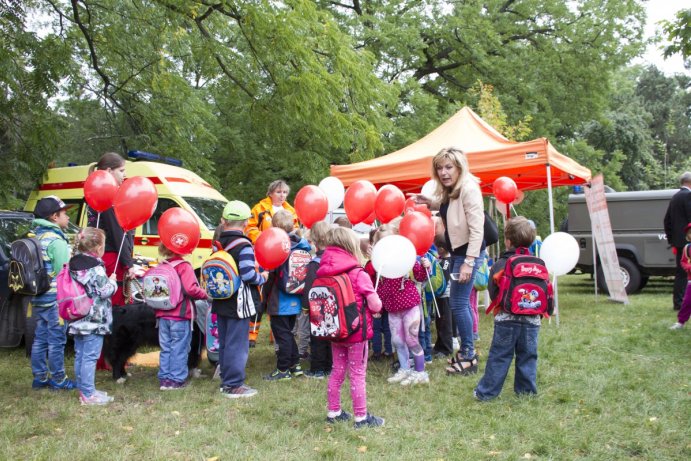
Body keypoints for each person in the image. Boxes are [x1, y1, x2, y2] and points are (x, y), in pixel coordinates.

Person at [411, 147, 484, 376]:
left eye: (448, 167)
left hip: (467, 253)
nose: (443, 172)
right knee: (457, 303)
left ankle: (469, 355)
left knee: (459, 304)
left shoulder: (469, 189)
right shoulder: (453, 190)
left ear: (459, 167)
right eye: (440, 168)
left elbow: (477, 229)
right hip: (459, 252)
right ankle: (466, 351)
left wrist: (469, 262)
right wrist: (431, 203)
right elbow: (451, 209)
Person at [319, 227, 384, 428]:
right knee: (357, 373)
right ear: (351, 245)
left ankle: (334, 411)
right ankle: (361, 417)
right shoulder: (358, 273)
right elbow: (376, 305)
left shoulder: (323, 272)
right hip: (357, 333)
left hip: (335, 330)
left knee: (337, 370)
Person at [474, 216, 542, 401]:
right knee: (528, 356)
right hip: (532, 319)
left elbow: (493, 291)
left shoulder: (500, 264)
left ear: (508, 241)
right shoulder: (536, 263)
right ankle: (526, 392)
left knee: (500, 356)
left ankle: (486, 393)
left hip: (506, 319)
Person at [213, 201, 267, 399]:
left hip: (221, 301)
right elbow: (247, 274)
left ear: (223, 221)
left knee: (226, 343)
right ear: (246, 223)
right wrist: (262, 278)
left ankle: (226, 380)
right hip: (239, 304)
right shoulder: (244, 246)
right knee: (238, 344)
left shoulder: (218, 243)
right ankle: (234, 385)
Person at [374, 220, 431, 386]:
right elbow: (379, 286)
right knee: (398, 341)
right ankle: (405, 368)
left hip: (410, 306)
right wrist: (378, 304)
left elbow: (420, 276)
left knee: (412, 339)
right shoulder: (381, 265)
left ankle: (420, 372)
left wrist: (426, 266)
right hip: (392, 309)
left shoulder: (408, 260)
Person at [245, 180, 299, 346]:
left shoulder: (291, 211)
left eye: (284, 192)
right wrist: (263, 239)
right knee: (260, 297)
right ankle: (252, 335)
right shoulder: (259, 208)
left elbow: (296, 231)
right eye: (278, 192)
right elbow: (250, 228)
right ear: (270, 193)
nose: (282, 195)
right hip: (263, 258)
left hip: (283, 259)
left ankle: (275, 335)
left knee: (277, 296)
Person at [67, 227, 117, 405]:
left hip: (77, 317)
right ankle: (88, 395)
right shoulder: (95, 268)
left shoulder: (72, 263)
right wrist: (112, 281)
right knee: (90, 357)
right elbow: (104, 291)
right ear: (97, 247)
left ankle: (84, 389)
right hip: (94, 320)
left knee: (80, 355)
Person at [30, 196, 76, 390]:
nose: (67, 217)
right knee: (57, 341)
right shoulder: (56, 241)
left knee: (40, 339)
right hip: (54, 300)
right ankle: (58, 379)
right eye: (65, 214)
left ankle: (40, 377)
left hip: (38, 297)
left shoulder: (35, 237)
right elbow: (63, 272)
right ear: (54, 216)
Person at [263, 210, 311, 381]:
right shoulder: (302, 245)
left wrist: (263, 296)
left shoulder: (279, 247)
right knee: (289, 333)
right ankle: (295, 365)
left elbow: (271, 276)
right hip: (296, 297)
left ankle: (282, 369)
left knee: (281, 334)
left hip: (279, 299)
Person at [155, 244, 209, 390]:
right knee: (180, 347)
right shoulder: (184, 266)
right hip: (180, 314)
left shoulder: (162, 265)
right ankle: (177, 380)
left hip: (162, 315)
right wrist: (205, 294)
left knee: (166, 348)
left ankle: (165, 379)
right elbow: (190, 289)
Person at [86, 152, 134, 306]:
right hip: (111, 257)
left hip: (99, 254)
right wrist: (129, 264)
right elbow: (117, 232)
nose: (124, 175)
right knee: (115, 300)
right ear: (108, 171)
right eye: (121, 170)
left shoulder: (95, 191)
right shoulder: (107, 196)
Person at [301, 221, 332, 378]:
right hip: (334, 306)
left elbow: (309, 288)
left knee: (318, 339)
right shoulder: (334, 259)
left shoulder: (315, 263)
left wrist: (305, 307)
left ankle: (318, 369)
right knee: (331, 337)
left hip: (317, 307)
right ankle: (329, 366)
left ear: (313, 240)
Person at [664, 172, 691, 311]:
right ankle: (681, 303)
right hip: (688, 242)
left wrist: (672, 241)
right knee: (685, 273)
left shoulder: (675, 197)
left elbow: (667, 221)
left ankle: (678, 303)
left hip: (679, 243)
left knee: (681, 273)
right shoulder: (687, 195)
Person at [363, 228, 392, 361]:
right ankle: (385, 350)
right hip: (383, 298)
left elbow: (367, 279)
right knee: (384, 327)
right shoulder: (384, 262)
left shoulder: (373, 264)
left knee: (379, 327)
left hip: (377, 299)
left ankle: (379, 352)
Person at [432, 236, 454, 358]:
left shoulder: (445, 263)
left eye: (437, 247)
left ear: (441, 249)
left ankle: (447, 348)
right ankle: (439, 345)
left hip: (445, 296)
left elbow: (443, 281)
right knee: (439, 321)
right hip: (440, 297)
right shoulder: (443, 260)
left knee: (445, 322)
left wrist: (437, 290)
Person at [670, 223, 691, 330]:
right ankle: (681, 322)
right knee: (687, 302)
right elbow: (683, 261)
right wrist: (688, 267)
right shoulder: (687, 248)